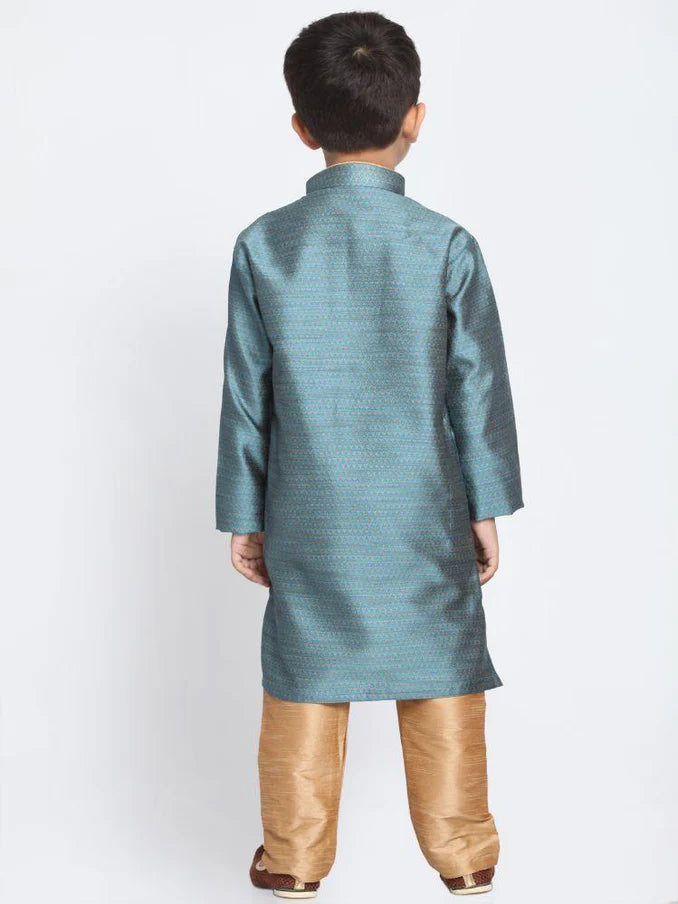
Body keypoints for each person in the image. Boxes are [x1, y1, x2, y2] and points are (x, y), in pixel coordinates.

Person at [216, 11, 523, 898]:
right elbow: (478, 389)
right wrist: (485, 507)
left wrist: (244, 517)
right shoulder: (446, 244)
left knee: (305, 671)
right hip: (424, 510)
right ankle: (465, 856)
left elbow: (247, 397)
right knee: (442, 666)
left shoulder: (264, 245)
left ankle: (294, 860)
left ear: (301, 127)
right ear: (415, 118)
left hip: (307, 511)